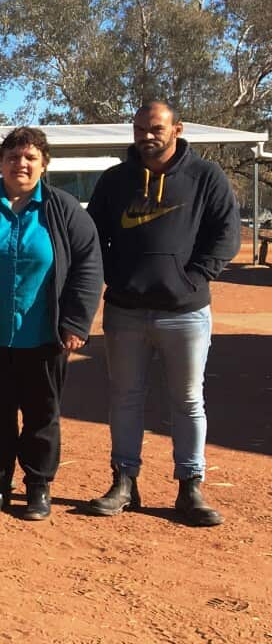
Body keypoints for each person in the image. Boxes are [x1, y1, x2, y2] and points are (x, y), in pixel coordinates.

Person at [85, 101, 240, 527]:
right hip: (125, 311)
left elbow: (226, 233)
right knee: (124, 398)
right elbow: (93, 237)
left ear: (177, 129)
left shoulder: (206, 177)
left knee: (188, 400)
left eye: (155, 128)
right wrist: (115, 277)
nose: (146, 135)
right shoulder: (116, 180)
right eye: (140, 128)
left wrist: (193, 277)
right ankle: (124, 481)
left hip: (185, 312)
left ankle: (190, 487)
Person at [0, 127, 102, 520]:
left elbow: (88, 267)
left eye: (30, 158)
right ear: (1, 163)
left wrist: (76, 323)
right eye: (13, 157)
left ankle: (38, 486)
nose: (21, 165)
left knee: (41, 413)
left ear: (44, 164)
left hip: (44, 334)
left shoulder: (62, 210)